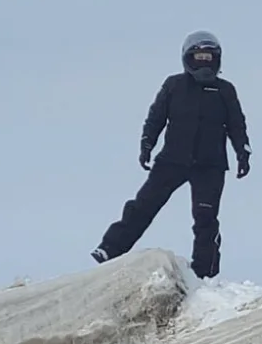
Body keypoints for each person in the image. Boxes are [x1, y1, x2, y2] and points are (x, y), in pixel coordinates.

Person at [93, 30, 252, 278]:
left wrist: (242, 151)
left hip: (210, 165)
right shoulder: (174, 85)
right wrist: (147, 144)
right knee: (143, 205)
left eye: (208, 57)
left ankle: (205, 273)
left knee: (205, 217)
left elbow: (236, 124)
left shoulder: (225, 91)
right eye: (198, 56)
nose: (203, 62)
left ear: (217, 59)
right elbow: (156, 117)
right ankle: (110, 249)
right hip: (172, 160)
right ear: (188, 58)